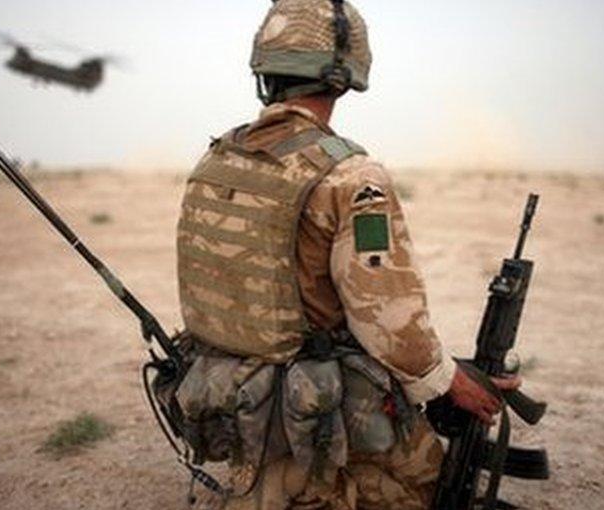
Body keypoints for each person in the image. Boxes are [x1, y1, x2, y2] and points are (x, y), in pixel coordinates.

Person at [174, 1, 520, 508]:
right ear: (344, 76)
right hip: (312, 413)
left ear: (264, 68)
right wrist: (450, 382)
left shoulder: (216, 161)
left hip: (229, 402)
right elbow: (390, 322)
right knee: (432, 486)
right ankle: (315, 488)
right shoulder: (351, 178)